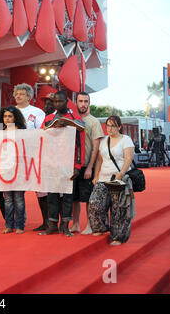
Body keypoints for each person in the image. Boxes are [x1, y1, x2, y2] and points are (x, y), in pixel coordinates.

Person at [39, 90, 85, 237]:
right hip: (52, 162)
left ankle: (65, 226)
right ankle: (52, 225)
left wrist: (77, 166)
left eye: (60, 101)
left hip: (68, 163)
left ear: (67, 102)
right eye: (55, 102)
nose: (58, 104)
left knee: (67, 196)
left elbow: (80, 145)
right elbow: (41, 139)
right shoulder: (48, 119)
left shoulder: (75, 118)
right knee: (51, 195)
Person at [88, 115, 135, 246]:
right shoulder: (104, 140)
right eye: (108, 125)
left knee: (119, 209)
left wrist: (121, 173)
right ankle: (100, 227)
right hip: (103, 178)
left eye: (113, 125)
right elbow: (99, 159)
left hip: (119, 179)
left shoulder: (126, 140)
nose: (110, 128)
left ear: (119, 127)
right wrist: (96, 176)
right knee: (94, 203)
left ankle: (118, 236)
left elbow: (128, 159)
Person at [12, 83, 48, 232]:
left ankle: (46, 221)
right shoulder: (10, 111)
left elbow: (42, 131)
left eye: (21, 93)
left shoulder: (37, 112)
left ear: (29, 96)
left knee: (40, 190)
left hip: (33, 155)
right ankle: (18, 221)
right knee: (15, 191)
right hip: (15, 156)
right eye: (16, 93)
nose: (18, 96)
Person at [71, 92, 104, 235]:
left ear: (89, 103)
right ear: (76, 102)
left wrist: (90, 167)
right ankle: (76, 224)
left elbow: (96, 148)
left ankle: (90, 224)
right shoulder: (71, 120)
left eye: (86, 101)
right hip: (73, 167)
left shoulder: (93, 122)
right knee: (74, 198)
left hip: (86, 167)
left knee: (88, 198)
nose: (83, 104)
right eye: (80, 101)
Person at [0, 106, 28, 234]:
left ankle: (20, 226)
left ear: (15, 117)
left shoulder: (22, 131)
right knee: (8, 199)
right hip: (5, 168)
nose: (7, 119)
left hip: (19, 168)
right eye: (5, 116)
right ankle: (9, 225)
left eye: (10, 116)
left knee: (19, 198)